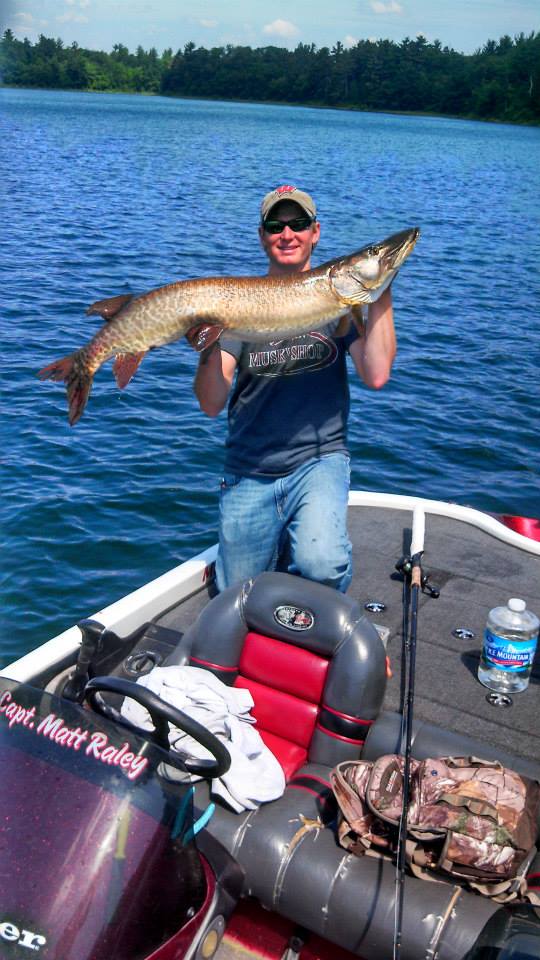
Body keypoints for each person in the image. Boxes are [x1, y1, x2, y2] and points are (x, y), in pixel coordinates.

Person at [193, 184, 396, 594]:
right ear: (263, 235)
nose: (288, 234)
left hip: (318, 460)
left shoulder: (340, 301)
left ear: (315, 232)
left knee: (322, 563)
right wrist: (208, 341)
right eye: (276, 225)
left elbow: (376, 374)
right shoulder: (238, 305)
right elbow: (212, 402)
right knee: (236, 594)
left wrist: (381, 290)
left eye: (298, 223)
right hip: (250, 466)